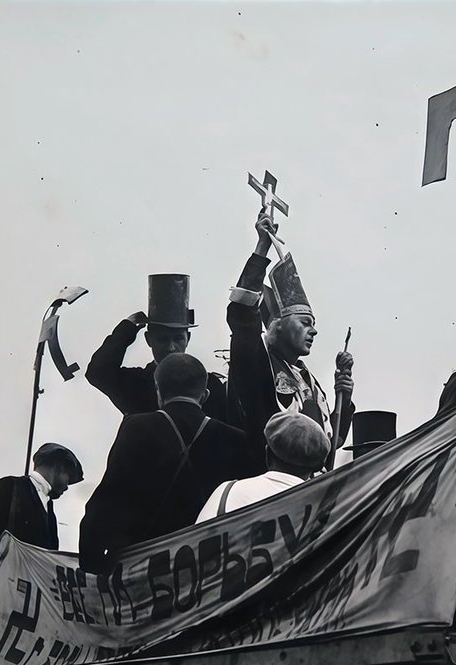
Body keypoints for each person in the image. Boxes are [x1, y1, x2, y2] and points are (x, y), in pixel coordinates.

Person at [79, 354, 253, 573]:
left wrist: (92, 565)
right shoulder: (235, 438)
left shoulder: (137, 427)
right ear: (205, 395)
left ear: (158, 392)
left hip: (144, 566)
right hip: (208, 568)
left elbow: (108, 500)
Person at [226, 210, 353, 473]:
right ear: (277, 326)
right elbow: (241, 316)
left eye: (314, 324)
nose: (314, 332)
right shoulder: (258, 363)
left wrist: (344, 396)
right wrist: (262, 248)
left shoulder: (308, 379)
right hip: (269, 487)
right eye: (305, 323)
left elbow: (331, 443)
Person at [0, 442, 84, 611]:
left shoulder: (51, 515)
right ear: (59, 467)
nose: (67, 486)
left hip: (24, 606)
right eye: (68, 476)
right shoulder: (10, 486)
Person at [86, 273, 228, 420]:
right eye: (163, 339)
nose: (171, 347)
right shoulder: (136, 384)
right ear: (148, 340)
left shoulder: (211, 384)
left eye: (178, 338)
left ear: (188, 339)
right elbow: (98, 372)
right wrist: (126, 329)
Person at [196, 410, 331, 522]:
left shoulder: (227, 492)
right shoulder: (326, 510)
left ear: (267, 452)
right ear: (317, 466)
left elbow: (196, 545)